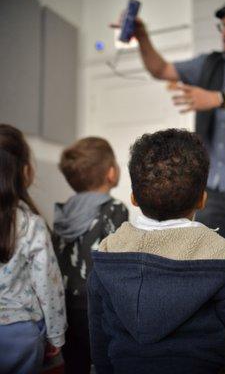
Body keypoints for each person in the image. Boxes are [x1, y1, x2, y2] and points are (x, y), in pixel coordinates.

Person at [129, 0, 225, 329]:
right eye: (224, 26)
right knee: (200, 259)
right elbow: (160, 69)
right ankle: (208, 330)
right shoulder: (208, 65)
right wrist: (142, 37)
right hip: (210, 189)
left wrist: (215, 98)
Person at [88, 128, 225, 374]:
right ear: (202, 200)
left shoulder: (108, 254)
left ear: (134, 199)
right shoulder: (221, 257)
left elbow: (98, 337)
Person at [53, 136, 128, 374]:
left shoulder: (64, 211)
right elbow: (120, 261)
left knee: (74, 363)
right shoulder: (115, 209)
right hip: (97, 305)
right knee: (104, 362)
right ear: (110, 173)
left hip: (65, 303)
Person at [0, 124, 66, 374]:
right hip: (22, 334)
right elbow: (48, 285)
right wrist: (56, 336)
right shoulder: (31, 225)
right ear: (25, 171)